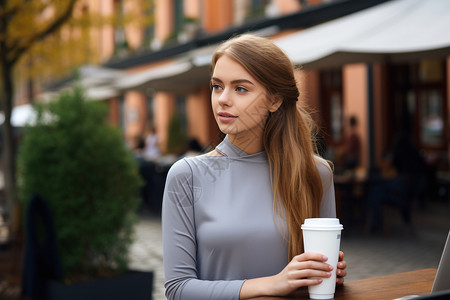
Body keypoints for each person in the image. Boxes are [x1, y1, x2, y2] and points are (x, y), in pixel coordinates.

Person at [162, 34, 347, 300]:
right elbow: (178, 289)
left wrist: (328, 274)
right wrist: (272, 284)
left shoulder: (316, 173)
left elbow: (318, 283)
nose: (222, 99)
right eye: (217, 86)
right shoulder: (187, 176)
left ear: (274, 100)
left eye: (240, 88)